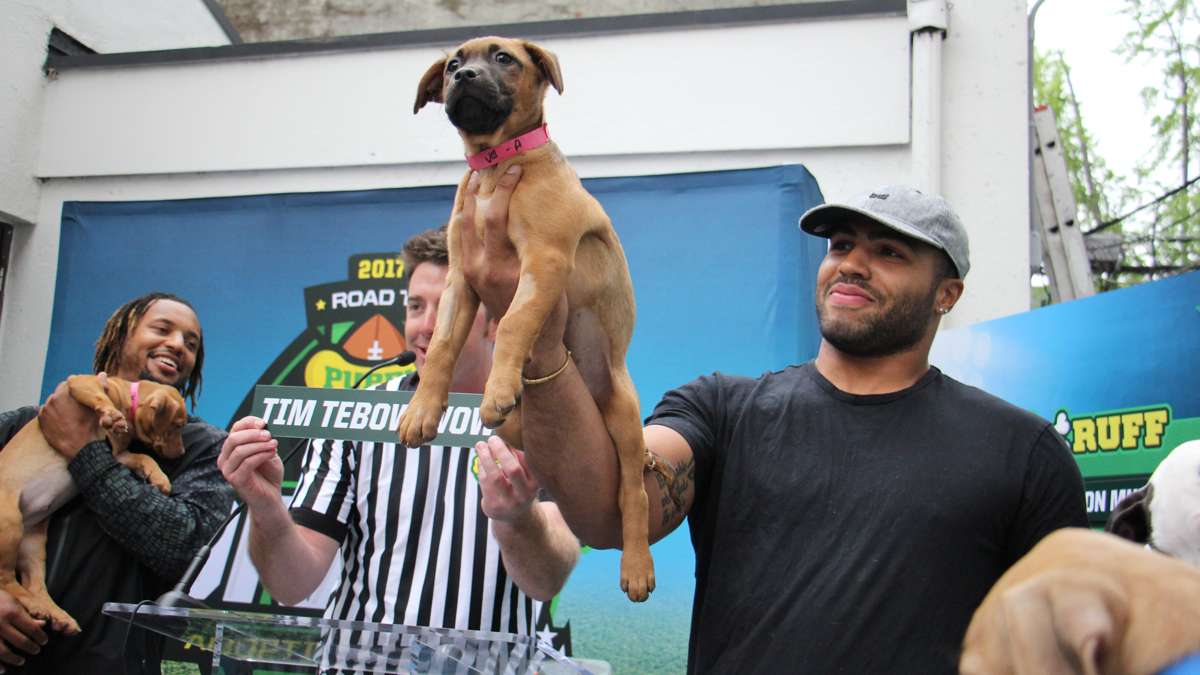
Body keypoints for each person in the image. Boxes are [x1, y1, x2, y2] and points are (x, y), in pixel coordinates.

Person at [457, 170, 1089, 674]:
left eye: (889, 252)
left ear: (945, 293)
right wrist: (536, 336)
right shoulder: (723, 411)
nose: (851, 264)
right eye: (840, 246)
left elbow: (1058, 648)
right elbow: (605, 514)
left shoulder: (1022, 453)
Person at [218, 227, 578, 666]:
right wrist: (267, 507)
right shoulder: (358, 415)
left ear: (497, 319)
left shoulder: (540, 417)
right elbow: (291, 585)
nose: (426, 327)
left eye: (449, 306)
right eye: (414, 306)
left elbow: (547, 579)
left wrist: (517, 517)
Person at [0, 292, 233, 674]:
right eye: (162, 329)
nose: (177, 344)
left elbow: (185, 549)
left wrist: (84, 452)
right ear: (120, 335)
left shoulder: (201, 448)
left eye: (191, 344)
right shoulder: (28, 424)